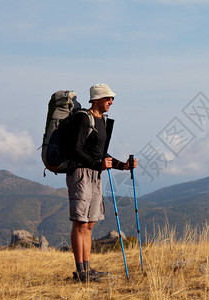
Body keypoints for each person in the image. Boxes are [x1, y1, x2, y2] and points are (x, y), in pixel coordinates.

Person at [66, 83, 137, 283]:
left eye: (112, 99)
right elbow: (74, 149)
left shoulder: (103, 122)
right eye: (108, 99)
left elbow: (101, 154)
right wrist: (96, 163)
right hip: (80, 174)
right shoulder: (82, 118)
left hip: (96, 175)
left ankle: (87, 269)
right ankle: (81, 272)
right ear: (97, 99)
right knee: (80, 223)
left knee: (89, 224)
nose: (111, 102)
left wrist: (122, 166)